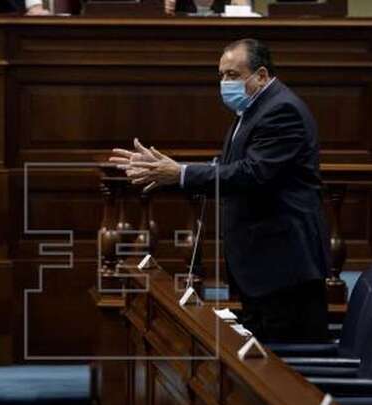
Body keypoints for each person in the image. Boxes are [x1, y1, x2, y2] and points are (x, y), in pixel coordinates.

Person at [109, 38, 330, 343]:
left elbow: (253, 173)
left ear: (262, 75)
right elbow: (230, 167)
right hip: (262, 266)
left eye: (233, 75)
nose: (225, 83)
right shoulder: (255, 110)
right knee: (259, 364)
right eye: (222, 75)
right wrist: (172, 174)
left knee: (285, 372)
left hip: (284, 267)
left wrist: (182, 173)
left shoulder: (281, 111)